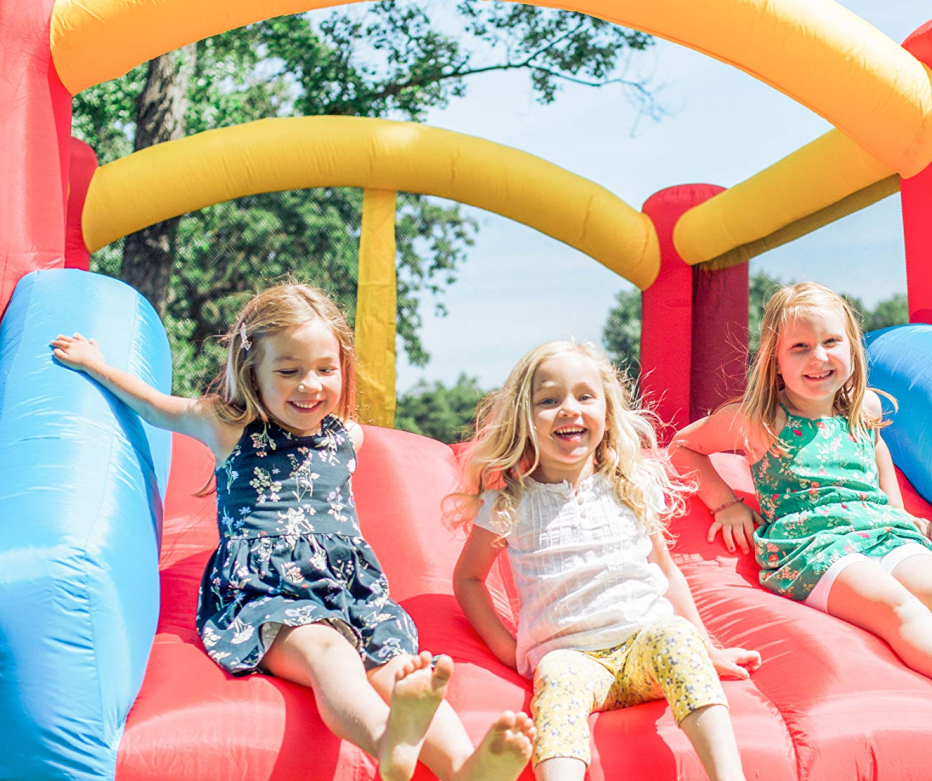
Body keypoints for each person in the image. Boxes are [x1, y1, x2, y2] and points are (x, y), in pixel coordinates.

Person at [52, 282, 534, 781]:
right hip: (265, 593)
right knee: (331, 654)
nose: (310, 384)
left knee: (405, 670)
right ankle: (388, 738)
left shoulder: (345, 435)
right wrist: (95, 364)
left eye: (326, 370)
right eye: (289, 371)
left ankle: (464, 768)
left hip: (351, 591)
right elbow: (153, 405)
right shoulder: (228, 425)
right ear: (252, 372)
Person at [670, 282, 932, 732]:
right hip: (816, 546)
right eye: (800, 347)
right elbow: (685, 445)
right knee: (900, 609)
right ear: (775, 364)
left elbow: (877, 451)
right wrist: (726, 504)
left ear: (852, 348)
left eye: (831, 342)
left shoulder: (863, 407)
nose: (818, 357)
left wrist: (896, 509)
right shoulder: (760, 420)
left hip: (878, 528)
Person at [449, 340, 761, 781]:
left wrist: (706, 646)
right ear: (524, 418)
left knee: (675, 636)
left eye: (584, 396)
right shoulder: (510, 503)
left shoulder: (629, 486)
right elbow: (468, 579)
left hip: (642, 646)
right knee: (556, 680)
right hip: (572, 657)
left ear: (607, 413)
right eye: (549, 400)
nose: (568, 409)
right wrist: (507, 647)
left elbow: (666, 573)